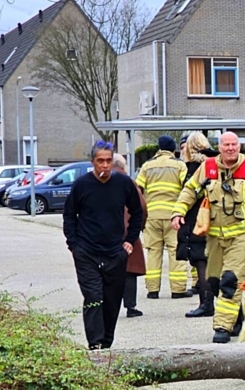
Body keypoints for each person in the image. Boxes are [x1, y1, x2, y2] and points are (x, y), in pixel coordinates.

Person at [173, 131, 245, 343]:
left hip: (242, 236)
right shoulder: (208, 167)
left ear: (239, 146)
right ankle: (237, 317)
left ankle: (222, 327)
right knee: (214, 282)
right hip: (214, 238)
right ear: (220, 147)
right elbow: (190, 190)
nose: (231, 148)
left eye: (234, 144)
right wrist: (178, 212)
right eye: (227, 145)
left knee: (230, 281)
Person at [63, 140, 144, 350]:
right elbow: (69, 215)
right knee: (93, 296)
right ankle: (95, 344)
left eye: (108, 161)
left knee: (111, 300)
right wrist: (74, 245)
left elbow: (138, 212)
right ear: (93, 162)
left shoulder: (124, 183)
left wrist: (129, 241)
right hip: (86, 252)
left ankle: (106, 344)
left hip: (115, 252)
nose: (105, 165)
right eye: (100, 161)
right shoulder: (82, 185)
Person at [137, 135, 189, 299]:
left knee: (153, 252)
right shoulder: (179, 165)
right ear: (174, 149)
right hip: (174, 216)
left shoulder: (147, 166)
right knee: (176, 251)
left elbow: (138, 189)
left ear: (159, 149)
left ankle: (152, 290)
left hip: (152, 216)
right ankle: (178, 290)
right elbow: (187, 187)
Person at [173, 132, 218, 318]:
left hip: (199, 220)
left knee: (201, 261)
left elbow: (190, 194)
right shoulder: (217, 162)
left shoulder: (195, 167)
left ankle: (206, 304)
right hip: (217, 219)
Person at [112, 153, 147, 318]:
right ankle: (131, 306)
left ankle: (109, 304)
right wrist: (137, 229)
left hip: (106, 234)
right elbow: (142, 208)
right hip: (127, 232)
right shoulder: (130, 183)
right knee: (129, 270)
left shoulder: (99, 182)